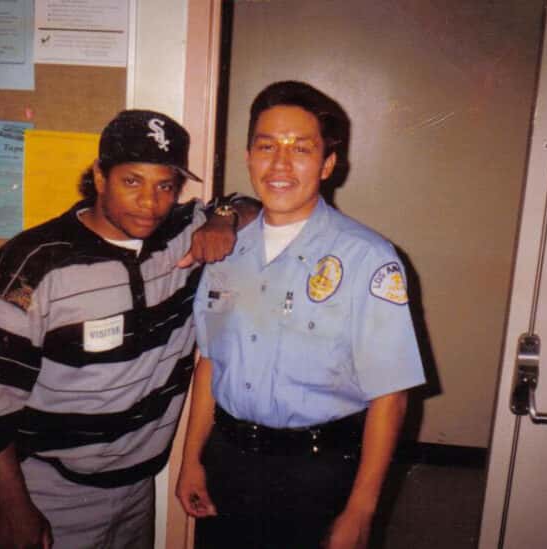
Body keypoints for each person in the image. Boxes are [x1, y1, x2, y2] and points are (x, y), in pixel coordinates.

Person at [0, 109, 257, 549]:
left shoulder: (181, 234)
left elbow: (250, 207)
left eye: (165, 186)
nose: (150, 203)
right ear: (100, 176)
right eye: (132, 181)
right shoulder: (33, 262)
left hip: (136, 494)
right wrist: (13, 505)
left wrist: (223, 218)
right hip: (44, 492)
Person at [177, 81, 426, 549]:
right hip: (228, 462)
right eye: (266, 146)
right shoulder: (226, 251)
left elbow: (391, 396)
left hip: (319, 474)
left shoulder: (367, 257)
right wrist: (191, 460)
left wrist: (361, 509)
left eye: (301, 149)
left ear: (328, 164)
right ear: (248, 156)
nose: (280, 164)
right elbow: (210, 360)